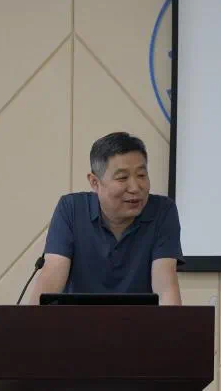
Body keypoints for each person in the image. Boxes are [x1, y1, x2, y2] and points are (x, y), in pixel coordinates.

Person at [24, 131, 183, 305]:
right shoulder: (71, 209)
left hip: (139, 321)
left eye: (141, 175)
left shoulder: (163, 211)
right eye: (122, 178)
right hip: (77, 321)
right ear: (95, 182)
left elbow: (165, 285)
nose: (135, 187)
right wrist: (31, 320)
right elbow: (52, 274)